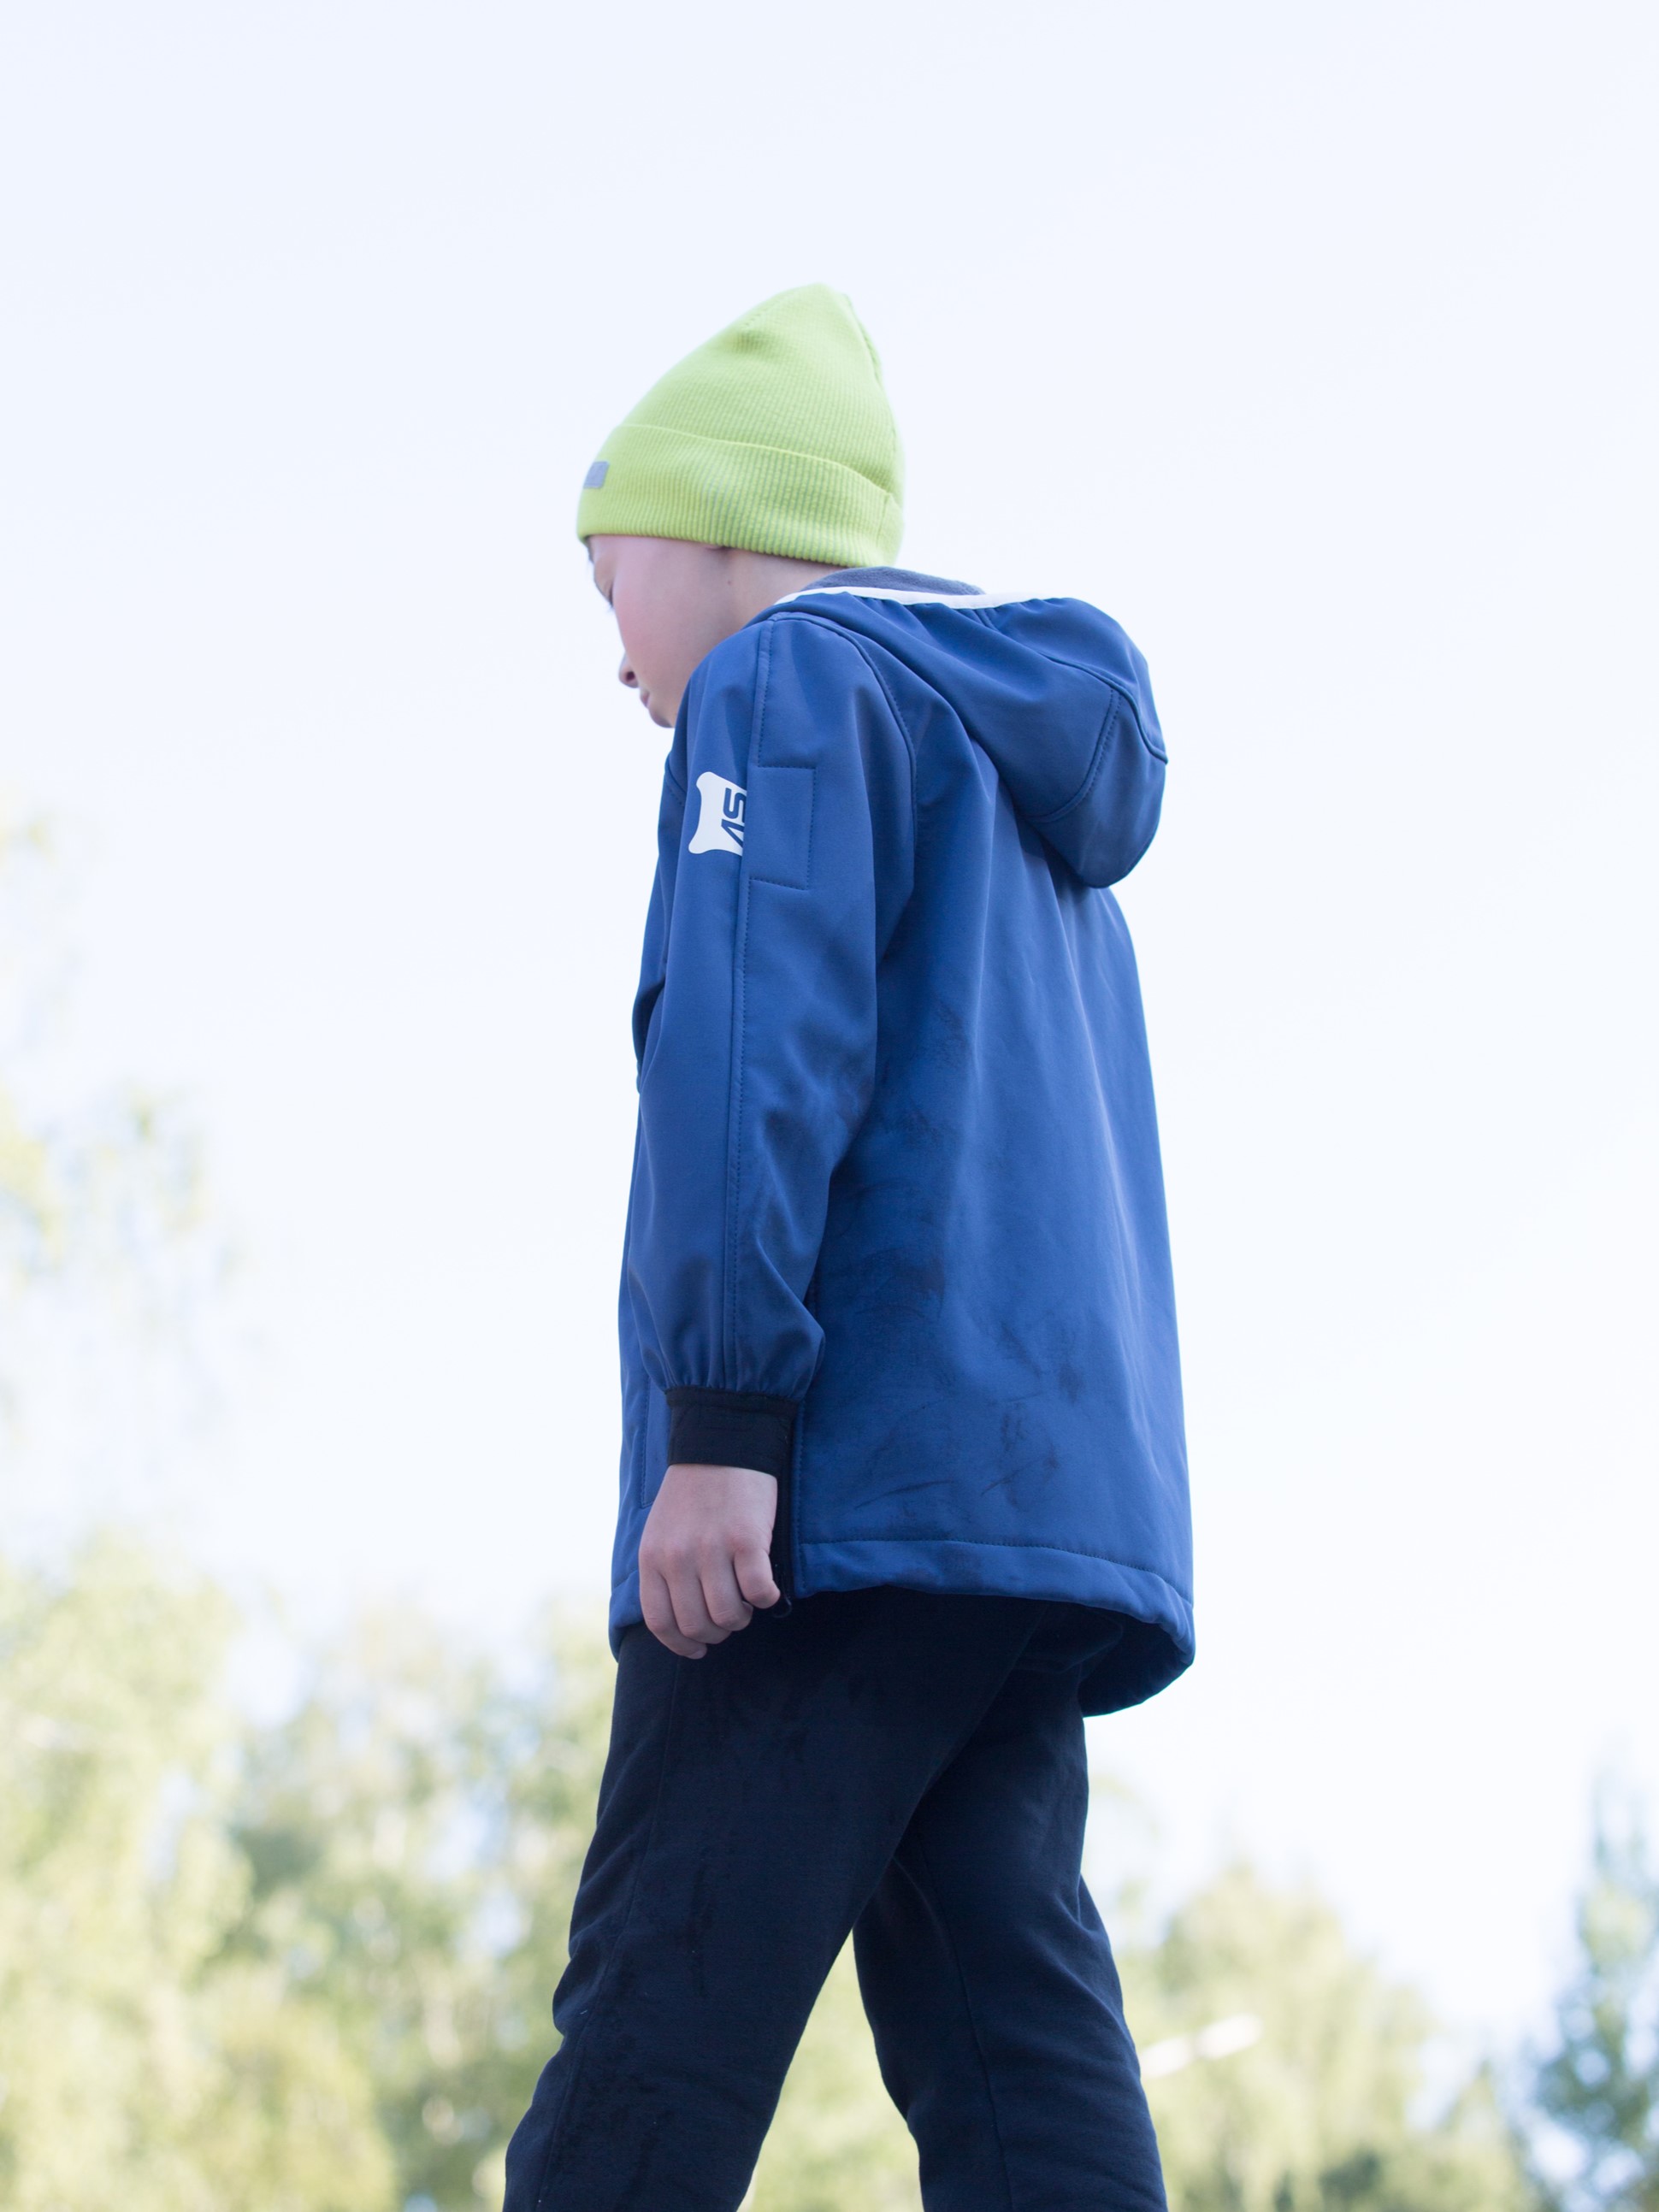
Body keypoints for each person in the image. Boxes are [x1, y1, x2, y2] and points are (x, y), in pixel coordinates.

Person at [505, 285, 1191, 2212]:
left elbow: (750, 1052)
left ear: (724, 534)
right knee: (1014, 2035)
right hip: (1017, 1520)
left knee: (657, 2018)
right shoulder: (1024, 782)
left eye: (609, 577)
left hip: (829, 1493)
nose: (613, 651)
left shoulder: (782, 689)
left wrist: (724, 1426)